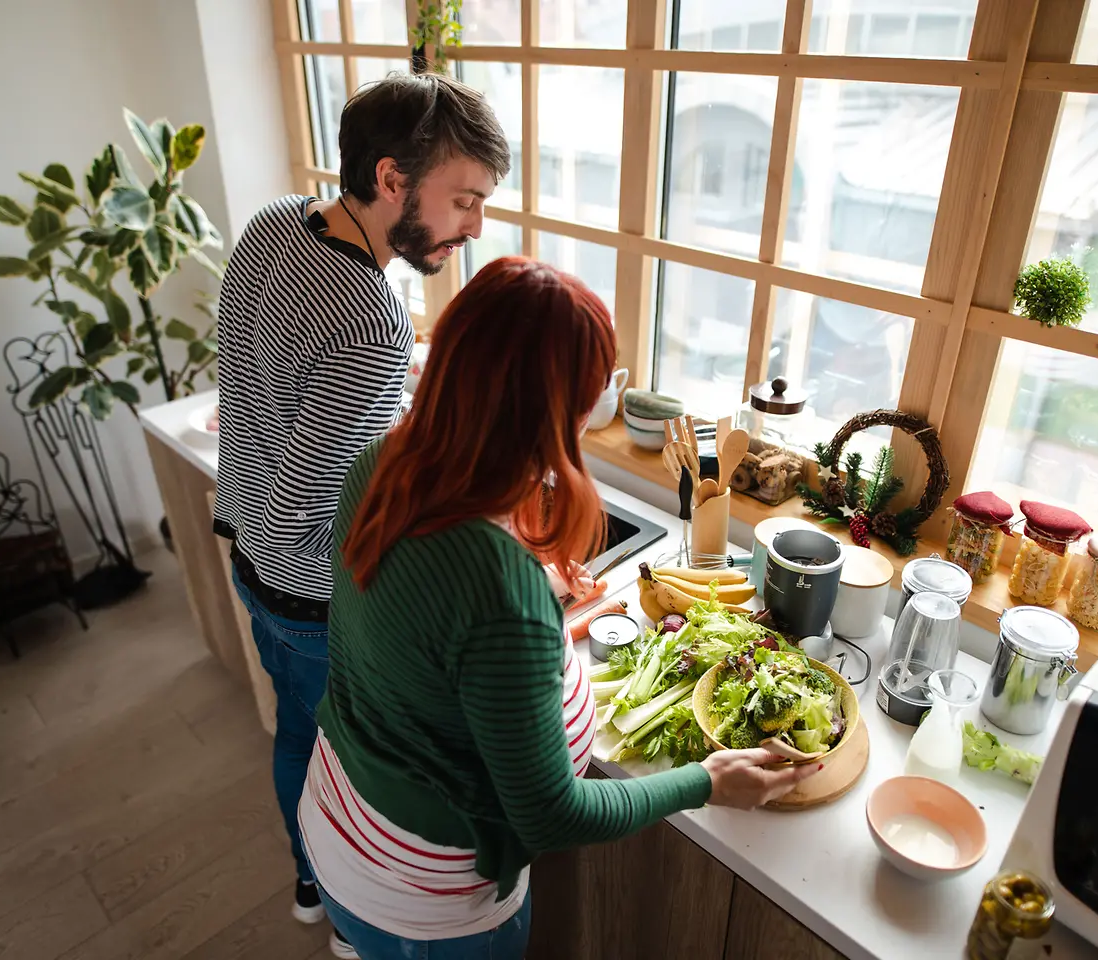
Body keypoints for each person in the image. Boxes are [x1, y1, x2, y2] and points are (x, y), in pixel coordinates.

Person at [298, 257, 820, 960]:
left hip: (340, 813)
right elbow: (549, 818)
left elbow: (412, 625)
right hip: (427, 900)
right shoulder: (498, 591)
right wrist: (706, 782)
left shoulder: (383, 460)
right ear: (562, 415)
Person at [212, 71, 510, 959]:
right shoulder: (372, 320)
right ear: (390, 181)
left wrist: (382, 409)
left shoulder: (276, 221)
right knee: (330, 758)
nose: (475, 228)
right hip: (309, 595)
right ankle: (346, 912)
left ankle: (309, 885)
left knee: (292, 729)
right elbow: (317, 498)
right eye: (463, 201)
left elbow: (266, 378)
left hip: (249, 550)